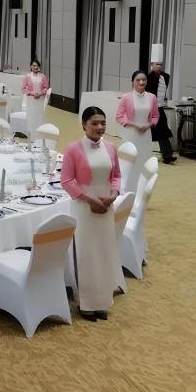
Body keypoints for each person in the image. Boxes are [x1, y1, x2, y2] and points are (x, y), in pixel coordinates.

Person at [60, 107, 122, 321]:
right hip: (84, 207)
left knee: (104, 252)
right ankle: (86, 302)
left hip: (106, 206)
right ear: (84, 125)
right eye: (94, 123)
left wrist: (113, 195)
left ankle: (102, 300)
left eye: (103, 123)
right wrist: (89, 200)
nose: (100, 127)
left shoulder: (111, 147)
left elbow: (116, 176)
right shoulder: (73, 149)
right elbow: (66, 181)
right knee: (86, 254)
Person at [116, 70, 160, 193]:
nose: (141, 82)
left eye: (144, 80)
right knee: (130, 161)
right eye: (138, 80)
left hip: (146, 135)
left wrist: (149, 125)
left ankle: (142, 190)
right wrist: (134, 125)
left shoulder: (152, 97)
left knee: (144, 161)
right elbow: (119, 116)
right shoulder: (126, 97)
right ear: (133, 82)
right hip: (131, 133)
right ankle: (126, 190)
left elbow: (155, 116)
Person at [145, 45, 176, 164]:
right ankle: (167, 155)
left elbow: (163, 91)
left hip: (160, 107)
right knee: (159, 132)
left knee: (163, 131)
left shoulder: (165, 77)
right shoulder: (147, 78)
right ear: (151, 65)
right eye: (157, 64)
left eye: (160, 64)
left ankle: (167, 155)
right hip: (151, 109)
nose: (159, 66)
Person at [20, 59, 50, 138]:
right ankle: (30, 134)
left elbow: (46, 87)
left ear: (39, 67)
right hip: (31, 99)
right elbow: (23, 88)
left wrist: (40, 93)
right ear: (31, 66)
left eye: (37, 66)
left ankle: (39, 134)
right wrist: (32, 94)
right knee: (31, 115)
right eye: (34, 65)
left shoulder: (43, 76)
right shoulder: (27, 76)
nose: (35, 67)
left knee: (39, 115)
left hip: (40, 99)